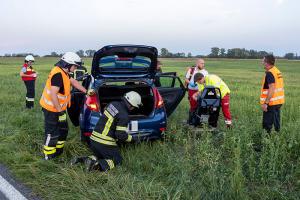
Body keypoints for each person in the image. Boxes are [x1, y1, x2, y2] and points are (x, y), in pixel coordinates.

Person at [71, 91, 142, 171]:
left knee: (102, 156)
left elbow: (107, 114)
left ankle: (84, 159)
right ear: (131, 106)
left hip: (94, 139)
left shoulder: (112, 104)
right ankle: (96, 166)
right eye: (134, 107)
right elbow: (120, 135)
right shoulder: (124, 116)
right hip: (104, 142)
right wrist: (133, 138)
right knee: (117, 160)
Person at [40, 52, 88, 160]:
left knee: (63, 129)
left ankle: (58, 152)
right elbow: (53, 94)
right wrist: (59, 110)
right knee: (51, 132)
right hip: (52, 109)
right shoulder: (58, 74)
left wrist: (87, 91)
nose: (76, 68)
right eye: (75, 66)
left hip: (60, 109)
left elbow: (73, 82)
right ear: (67, 64)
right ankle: (48, 156)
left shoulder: (64, 72)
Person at [260, 54, 284, 133]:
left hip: (271, 102)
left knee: (267, 124)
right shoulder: (277, 71)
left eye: (263, 60)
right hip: (278, 101)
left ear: (267, 62)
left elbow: (272, 88)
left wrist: (266, 103)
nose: (262, 62)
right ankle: (277, 137)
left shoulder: (270, 73)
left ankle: (267, 141)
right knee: (276, 122)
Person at [185, 59, 208, 124]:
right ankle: (191, 120)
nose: (203, 65)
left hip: (200, 91)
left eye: (203, 63)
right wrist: (190, 83)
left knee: (202, 105)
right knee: (193, 105)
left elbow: (206, 82)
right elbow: (186, 79)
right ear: (197, 63)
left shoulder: (205, 72)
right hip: (192, 90)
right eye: (201, 63)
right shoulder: (191, 70)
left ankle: (201, 121)